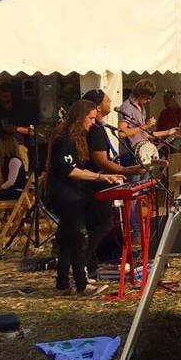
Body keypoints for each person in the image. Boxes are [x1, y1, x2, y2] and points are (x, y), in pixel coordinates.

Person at [45, 99, 122, 297]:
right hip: (65, 195)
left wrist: (103, 176)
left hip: (73, 194)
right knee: (78, 238)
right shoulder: (64, 139)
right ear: (79, 117)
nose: (92, 123)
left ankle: (62, 283)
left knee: (68, 238)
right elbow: (69, 170)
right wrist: (100, 176)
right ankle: (82, 284)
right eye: (89, 118)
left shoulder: (78, 138)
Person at [79, 90, 144, 278]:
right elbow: (101, 160)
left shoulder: (99, 126)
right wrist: (124, 170)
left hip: (99, 179)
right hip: (97, 181)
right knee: (102, 223)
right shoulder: (95, 129)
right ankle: (85, 259)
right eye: (108, 101)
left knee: (100, 224)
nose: (111, 103)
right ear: (98, 107)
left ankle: (90, 264)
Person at [115, 79, 177, 162]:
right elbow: (122, 133)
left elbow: (145, 135)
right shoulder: (127, 107)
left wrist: (167, 132)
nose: (149, 101)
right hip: (131, 155)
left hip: (143, 154)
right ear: (141, 94)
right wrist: (145, 126)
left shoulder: (141, 107)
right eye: (148, 98)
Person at [0, 130, 31, 201]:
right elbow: (4, 178)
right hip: (10, 190)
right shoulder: (6, 160)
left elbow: (11, 181)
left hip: (16, 191)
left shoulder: (14, 160)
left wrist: (0, 188)